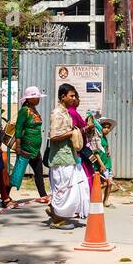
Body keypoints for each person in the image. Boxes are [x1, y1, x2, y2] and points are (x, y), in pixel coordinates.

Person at [46, 84, 90, 229]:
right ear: (63, 96)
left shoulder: (66, 112)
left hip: (68, 156)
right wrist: (72, 133)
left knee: (68, 190)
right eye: (71, 96)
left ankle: (57, 213)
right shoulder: (57, 113)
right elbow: (53, 136)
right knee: (62, 190)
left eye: (74, 96)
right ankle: (58, 220)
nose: (74, 98)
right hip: (60, 159)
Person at [10, 86, 48, 202]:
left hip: (35, 148)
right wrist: (18, 147)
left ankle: (43, 195)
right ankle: (5, 196)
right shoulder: (24, 111)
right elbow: (18, 129)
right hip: (26, 148)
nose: (38, 99)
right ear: (29, 99)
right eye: (36, 97)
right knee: (19, 171)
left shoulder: (34, 110)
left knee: (38, 172)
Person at [88, 112, 116, 205]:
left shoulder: (105, 138)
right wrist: (101, 164)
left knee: (110, 183)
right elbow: (96, 152)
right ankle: (90, 196)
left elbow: (105, 151)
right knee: (103, 183)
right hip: (99, 165)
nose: (107, 129)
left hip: (107, 163)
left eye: (108, 128)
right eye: (105, 127)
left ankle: (105, 201)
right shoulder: (97, 137)